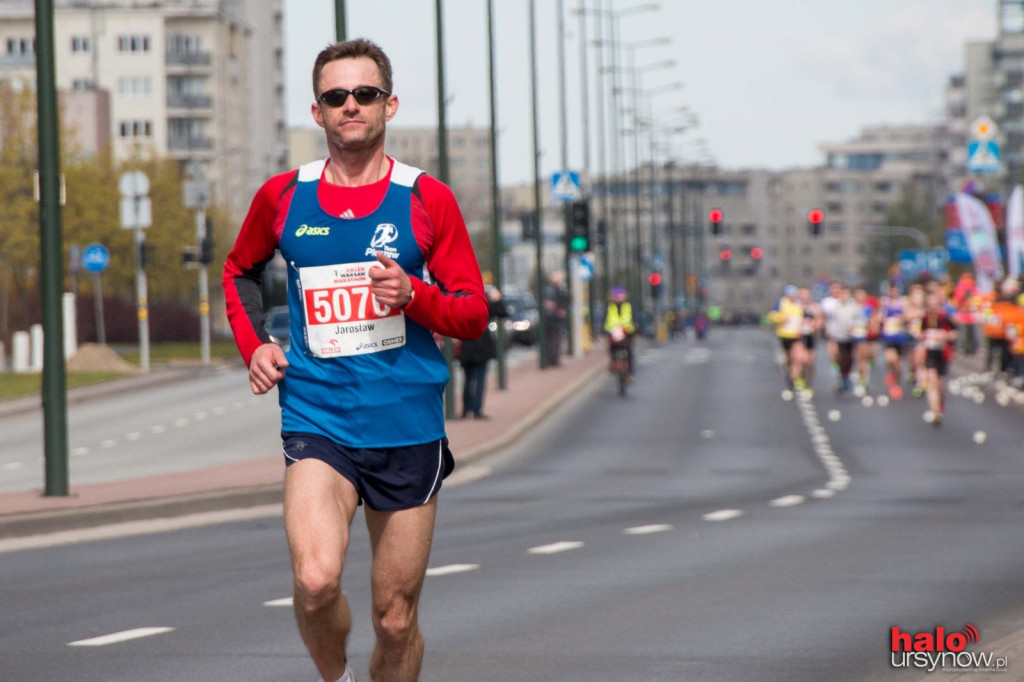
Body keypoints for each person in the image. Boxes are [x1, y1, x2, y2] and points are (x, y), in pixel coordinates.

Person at [222, 39, 488, 682]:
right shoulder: (283, 196)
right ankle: (333, 673)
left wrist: (413, 294)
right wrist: (254, 344)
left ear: (388, 105)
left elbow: (473, 313)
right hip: (318, 416)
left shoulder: (427, 199)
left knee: (394, 618)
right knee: (315, 580)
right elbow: (238, 271)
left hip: (407, 424)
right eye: (335, 97)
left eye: (364, 95)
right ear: (317, 112)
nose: (350, 107)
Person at [458, 286, 507, 419]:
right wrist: (497, 299)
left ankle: (466, 410)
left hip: (467, 345)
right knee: (479, 379)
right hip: (481, 346)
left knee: (468, 379)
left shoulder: (462, 301)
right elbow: (503, 313)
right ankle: (476, 410)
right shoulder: (484, 304)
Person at [920, 289, 956, 426]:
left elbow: (955, 333)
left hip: (943, 353)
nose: (932, 306)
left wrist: (945, 336)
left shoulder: (945, 316)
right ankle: (935, 411)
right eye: (930, 303)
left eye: (935, 303)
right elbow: (918, 332)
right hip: (929, 353)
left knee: (940, 385)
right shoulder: (924, 317)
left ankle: (940, 401)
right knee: (931, 382)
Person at [768, 284, 806, 391]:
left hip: (797, 335)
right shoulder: (781, 303)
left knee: (798, 358)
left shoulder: (800, 303)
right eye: (790, 294)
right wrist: (781, 318)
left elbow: (807, 315)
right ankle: (790, 375)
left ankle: (795, 379)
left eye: (794, 294)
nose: (793, 296)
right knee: (789, 359)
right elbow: (772, 315)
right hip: (784, 335)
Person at [603, 285, 636, 377]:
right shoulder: (609, 307)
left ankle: (630, 373)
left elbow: (634, 318)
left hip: (627, 331)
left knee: (629, 350)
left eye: (620, 296)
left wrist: (635, 327)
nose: (618, 298)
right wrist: (606, 329)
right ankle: (613, 362)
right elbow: (605, 319)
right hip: (613, 331)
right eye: (616, 296)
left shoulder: (629, 306)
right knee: (611, 347)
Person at [542, 269, 569, 367]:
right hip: (552, 319)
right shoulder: (551, 289)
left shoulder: (558, 289)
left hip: (554, 319)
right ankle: (552, 360)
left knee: (555, 340)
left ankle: (553, 359)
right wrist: (558, 309)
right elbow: (547, 303)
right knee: (553, 340)